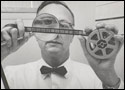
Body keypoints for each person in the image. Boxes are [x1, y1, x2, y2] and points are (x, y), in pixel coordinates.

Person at [1, 1, 124, 89]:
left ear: (72, 36)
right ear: (35, 34)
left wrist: (108, 76)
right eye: (47, 25)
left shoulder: (97, 78)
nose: (55, 34)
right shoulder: (9, 75)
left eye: (64, 26)